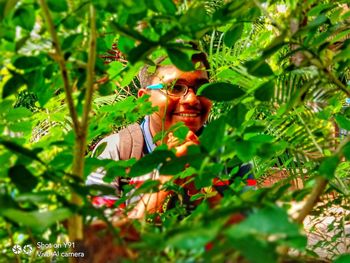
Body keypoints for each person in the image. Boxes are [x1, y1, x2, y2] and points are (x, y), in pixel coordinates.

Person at [86, 51, 255, 222]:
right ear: (145, 100)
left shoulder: (231, 151)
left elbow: (253, 233)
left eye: (202, 88)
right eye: (174, 87)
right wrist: (167, 176)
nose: (192, 99)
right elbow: (103, 240)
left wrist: (199, 181)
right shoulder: (116, 151)